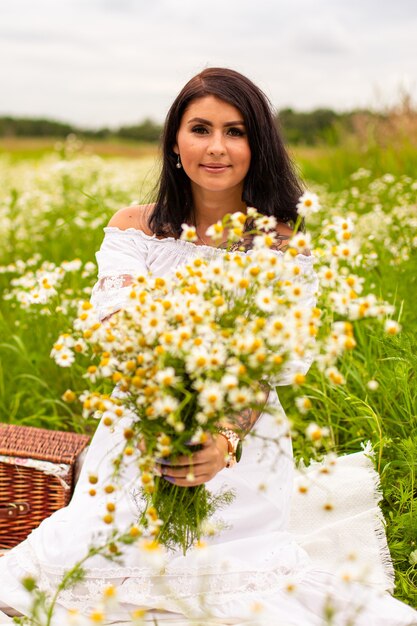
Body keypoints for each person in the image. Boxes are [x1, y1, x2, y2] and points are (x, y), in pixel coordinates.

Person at [0, 68, 416, 626]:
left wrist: (220, 439)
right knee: (75, 576)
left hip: (239, 437)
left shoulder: (281, 245)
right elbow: (121, 336)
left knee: (232, 586)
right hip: (140, 427)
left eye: (236, 131)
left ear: (257, 145)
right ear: (175, 142)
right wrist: (171, 414)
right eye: (200, 128)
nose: (216, 147)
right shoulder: (134, 230)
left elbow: (265, 365)